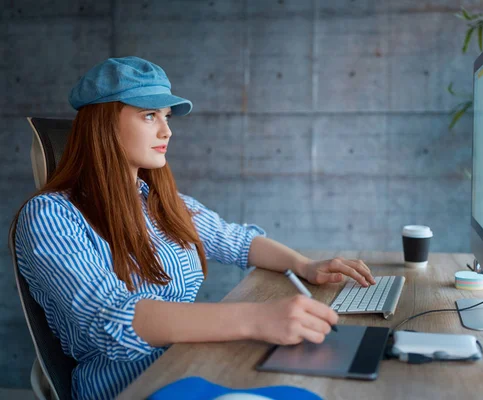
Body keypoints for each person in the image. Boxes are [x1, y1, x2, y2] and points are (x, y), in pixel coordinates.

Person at [12, 56, 376, 400]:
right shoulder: (50, 216)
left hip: (191, 368)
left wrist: (304, 265)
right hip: (130, 388)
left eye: (167, 116)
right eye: (150, 115)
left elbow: (237, 241)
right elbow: (113, 321)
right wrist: (257, 319)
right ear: (103, 124)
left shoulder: (163, 202)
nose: (167, 130)